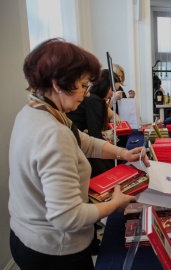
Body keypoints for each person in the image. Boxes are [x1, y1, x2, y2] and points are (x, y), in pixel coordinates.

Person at [9, 38, 150, 270]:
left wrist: (123, 153)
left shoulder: (34, 110)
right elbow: (67, 218)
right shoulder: (53, 132)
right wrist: (114, 204)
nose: (86, 94)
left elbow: (83, 141)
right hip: (55, 250)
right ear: (58, 84)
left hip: (25, 235)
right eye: (83, 85)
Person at [67, 69, 122, 177]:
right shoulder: (94, 101)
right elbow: (95, 135)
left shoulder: (95, 100)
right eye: (112, 89)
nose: (113, 94)